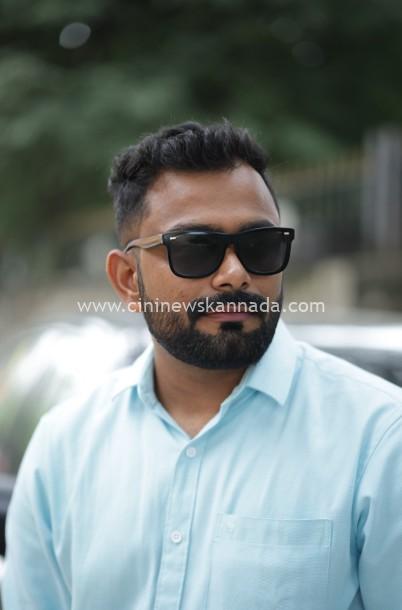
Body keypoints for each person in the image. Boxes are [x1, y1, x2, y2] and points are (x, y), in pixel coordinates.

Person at [2, 121, 402, 610]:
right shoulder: (64, 446)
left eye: (261, 246)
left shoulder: (381, 441)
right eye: (195, 249)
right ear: (128, 280)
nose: (235, 274)